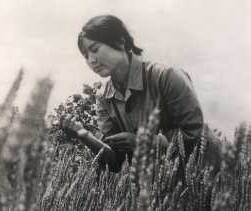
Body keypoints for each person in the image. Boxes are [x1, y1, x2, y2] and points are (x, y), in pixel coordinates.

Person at [62, 15, 221, 174]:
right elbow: (116, 162)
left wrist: (144, 143)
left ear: (120, 41)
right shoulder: (103, 98)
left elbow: (194, 136)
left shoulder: (167, 76)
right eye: (85, 56)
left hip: (206, 176)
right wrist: (84, 136)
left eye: (95, 49)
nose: (91, 60)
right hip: (162, 187)